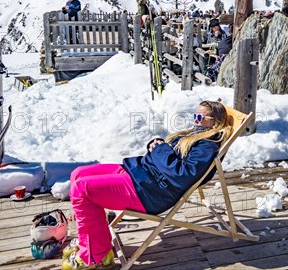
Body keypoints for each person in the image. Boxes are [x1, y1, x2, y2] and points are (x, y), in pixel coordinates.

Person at [62, 101, 232, 270]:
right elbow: (167, 155)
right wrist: (157, 144)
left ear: (215, 122)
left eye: (200, 117)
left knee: (82, 189)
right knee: (78, 174)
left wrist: (160, 150)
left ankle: (93, 256)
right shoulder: (195, 136)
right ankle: (92, 242)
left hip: (149, 191)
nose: (195, 120)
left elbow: (183, 175)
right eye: (195, 115)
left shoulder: (207, 146)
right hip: (140, 173)